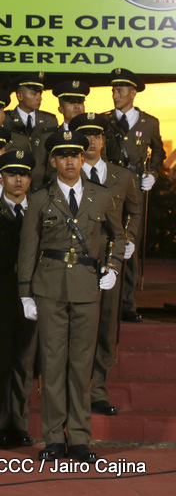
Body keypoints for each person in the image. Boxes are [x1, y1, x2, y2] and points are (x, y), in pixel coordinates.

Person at [17, 130, 122, 464]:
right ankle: (53, 439)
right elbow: (28, 248)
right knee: (52, 365)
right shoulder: (39, 199)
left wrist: (113, 267)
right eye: (63, 156)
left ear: (81, 158)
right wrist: (25, 293)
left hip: (87, 286)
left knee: (80, 366)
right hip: (49, 288)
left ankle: (79, 438)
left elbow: (118, 236)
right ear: (53, 161)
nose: (70, 161)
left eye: (75, 155)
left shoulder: (100, 196)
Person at [70, 113, 141, 417]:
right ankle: (74, 389)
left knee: (106, 324)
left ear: (103, 140)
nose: (91, 141)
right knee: (76, 325)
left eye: (96, 135)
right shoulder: (67, 175)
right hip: (76, 258)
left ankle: (97, 389)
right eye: (84, 136)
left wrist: (130, 239)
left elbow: (135, 211)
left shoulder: (122, 176)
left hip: (110, 257)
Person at [0, 149, 37, 449]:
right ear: (1, 179)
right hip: (0, 297)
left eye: (23, 175)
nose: (18, 180)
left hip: (31, 297)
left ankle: (20, 424)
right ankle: (0, 426)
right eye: (12, 174)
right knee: (1, 363)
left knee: (25, 364)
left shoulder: (39, 210)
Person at [104, 68, 163, 324]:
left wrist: (154, 173)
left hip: (135, 189)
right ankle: (105, 299)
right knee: (107, 239)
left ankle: (127, 303)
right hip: (109, 187)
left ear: (133, 93)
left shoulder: (149, 122)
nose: (115, 95)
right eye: (113, 90)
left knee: (130, 243)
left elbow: (158, 151)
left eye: (120, 90)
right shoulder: (104, 121)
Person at [4, 72, 56, 141]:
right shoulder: (5, 119)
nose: (39, 98)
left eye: (40, 94)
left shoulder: (50, 121)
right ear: (20, 96)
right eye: (34, 94)